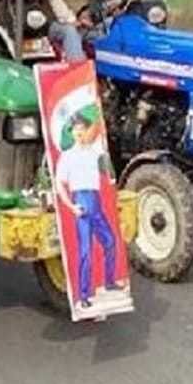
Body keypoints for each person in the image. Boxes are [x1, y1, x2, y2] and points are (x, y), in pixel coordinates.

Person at [55, 107, 123, 310]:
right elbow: (60, 184)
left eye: (82, 128)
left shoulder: (95, 152)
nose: (79, 132)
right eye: (75, 128)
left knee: (110, 242)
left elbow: (109, 173)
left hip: (96, 201)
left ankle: (109, 281)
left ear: (86, 130)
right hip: (82, 202)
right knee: (85, 252)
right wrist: (71, 206)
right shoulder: (67, 156)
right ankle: (84, 294)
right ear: (72, 132)